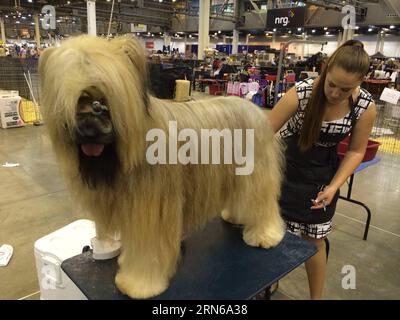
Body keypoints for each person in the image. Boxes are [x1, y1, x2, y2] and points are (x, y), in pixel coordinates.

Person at [268, 40, 377, 300]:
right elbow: (263, 132)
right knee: (276, 232)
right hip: (285, 165)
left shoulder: (365, 107)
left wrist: (334, 186)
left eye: (346, 89)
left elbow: (355, 151)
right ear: (325, 69)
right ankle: (271, 281)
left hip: (322, 173)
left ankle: (316, 297)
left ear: (362, 80)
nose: (336, 93)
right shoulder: (302, 92)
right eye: (331, 84)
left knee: (314, 239)